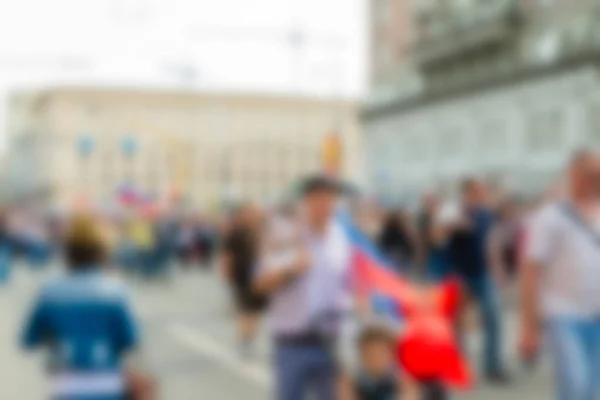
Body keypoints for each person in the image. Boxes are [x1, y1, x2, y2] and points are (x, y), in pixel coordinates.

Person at [20, 214, 150, 400]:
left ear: (67, 253)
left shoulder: (50, 292)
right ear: (102, 254)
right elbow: (131, 340)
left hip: (65, 386)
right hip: (108, 385)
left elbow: (28, 340)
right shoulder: (115, 291)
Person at [254, 174, 352, 400]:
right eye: (317, 199)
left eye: (329, 199)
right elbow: (260, 283)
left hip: (330, 343)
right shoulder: (286, 236)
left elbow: (352, 285)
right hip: (291, 344)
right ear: (305, 202)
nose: (324, 205)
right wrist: (290, 270)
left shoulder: (342, 239)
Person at [521, 149, 600, 400]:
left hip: (596, 314)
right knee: (576, 384)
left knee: (587, 385)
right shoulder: (550, 216)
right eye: (588, 174)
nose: (594, 180)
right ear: (573, 175)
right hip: (562, 314)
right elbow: (530, 271)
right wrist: (530, 326)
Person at [448, 178, 508, 383]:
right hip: (459, 273)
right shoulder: (454, 211)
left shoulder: (487, 214)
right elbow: (439, 237)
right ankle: (458, 365)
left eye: (482, 190)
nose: (480, 194)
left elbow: (493, 242)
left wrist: (498, 269)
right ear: (466, 192)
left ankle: (492, 365)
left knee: (493, 315)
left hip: (484, 273)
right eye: (476, 190)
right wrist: (453, 226)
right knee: (458, 321)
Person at [221, 203, 267, 356]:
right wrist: (227, 275)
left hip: (258, 276)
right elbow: (227, 256)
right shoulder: (235, 234)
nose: (253, 216)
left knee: (254, 311)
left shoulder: (259, 232)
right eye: (249, 213)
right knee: (246, 310)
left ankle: (248, 337)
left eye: (254, 213)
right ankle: (244, 340)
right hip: (241, 276)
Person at [377, 209, 416, 274]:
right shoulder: (403, 233)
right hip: (400, 261)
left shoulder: (386, 233)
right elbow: (410, 248)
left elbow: (380, 247)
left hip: (390, 261)